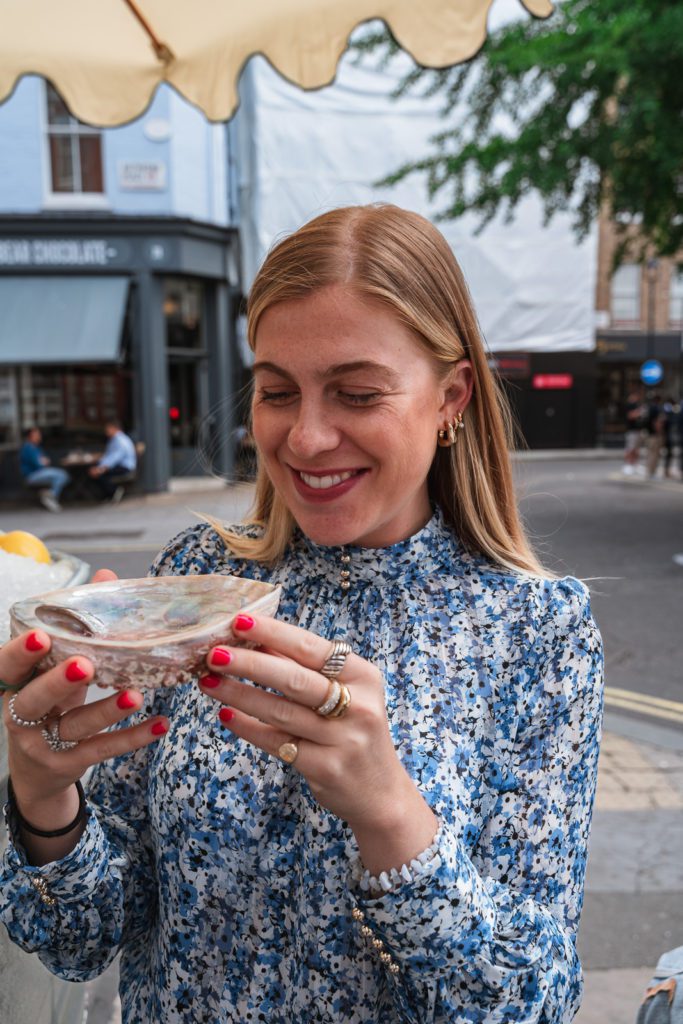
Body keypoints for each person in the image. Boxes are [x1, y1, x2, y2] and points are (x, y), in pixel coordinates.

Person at [0, 205, 604, 1024]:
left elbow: (526, 1004)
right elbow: (84, 939)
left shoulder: (538, 632)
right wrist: (44, 798)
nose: (307, 437)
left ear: (450, 397)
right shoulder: (195, 579)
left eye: (356, 393)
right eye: (277, 391)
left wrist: (389, 813)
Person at [18, 426, 71, 513]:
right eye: (37, 434)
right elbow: (39, 464)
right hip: (32, 476)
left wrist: (44, 462)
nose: (39, 436)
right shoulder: (28, 448)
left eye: (39, 434)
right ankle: (50, 496)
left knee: (63, 475)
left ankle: (49, 494)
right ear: (30, 436)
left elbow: (46, 460)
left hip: (40, 473)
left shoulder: (36, 447)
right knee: (61, 475)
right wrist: (43, 462)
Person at [88, 420, 137, 502]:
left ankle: (113, 493)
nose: (106, 431)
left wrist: (100, 469)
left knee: (101, 475)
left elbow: (115, 458)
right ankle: (109, 495)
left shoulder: (120, 440)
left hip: (124, 467)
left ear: (114, 428)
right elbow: (109, 456)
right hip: (120, 466)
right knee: (96, 472)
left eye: (108, 428)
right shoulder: (114, 439)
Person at [623, 385, 646, 475]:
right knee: (630, 448)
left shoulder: (636, 404)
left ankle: (634, 464)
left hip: (637, 430)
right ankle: (628, 465)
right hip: (631, 430)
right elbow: (630, 416)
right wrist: (639, 412)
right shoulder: (630, 404)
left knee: (636, 448)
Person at [645, 394, 665, 479]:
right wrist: (659, 432)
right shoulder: (655, 408)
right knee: (654, 454)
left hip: (650, 434)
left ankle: (650, 472)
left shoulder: (650, 408)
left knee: (651, 453)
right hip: (654, 435)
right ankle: (651, 472)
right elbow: (656, 422)